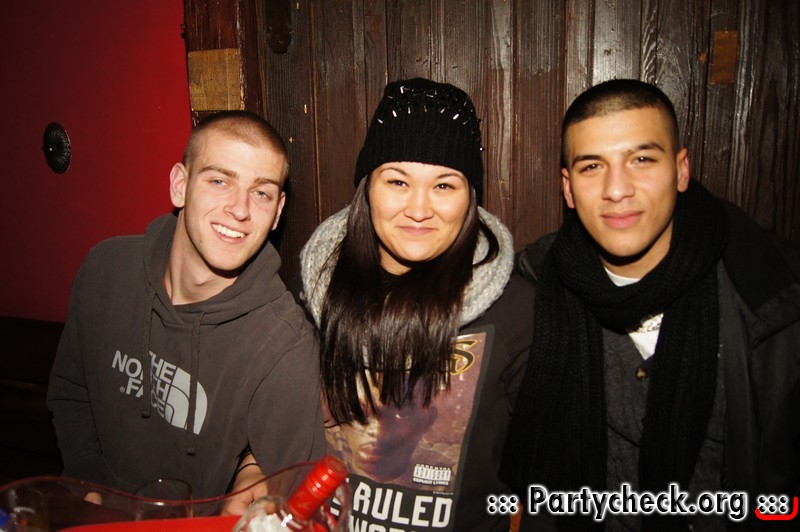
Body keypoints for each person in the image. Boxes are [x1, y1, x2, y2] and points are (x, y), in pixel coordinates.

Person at [501, 79, 800, 530]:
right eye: (591, 166)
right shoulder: (538, 282)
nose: (617, 189)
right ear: (568, 188)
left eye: (641, 159)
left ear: (681, 170)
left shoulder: (769, 295)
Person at [46, 110, 326, 513]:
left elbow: (293, 491)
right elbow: (71, 392)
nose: (240, 209)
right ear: (180, 185)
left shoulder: (285, 344)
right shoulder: (105, 269)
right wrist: (88, 481)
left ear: (277, 212)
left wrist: (253, 473)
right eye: (219, 181)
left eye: (261, 193)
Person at [299, 77, 535, 531]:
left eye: (444, 185)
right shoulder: (310, 293)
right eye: (398, 181)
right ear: (367, 188)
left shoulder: (516, 312)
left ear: (470, 197)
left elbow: (540, 478)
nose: (419, 209)